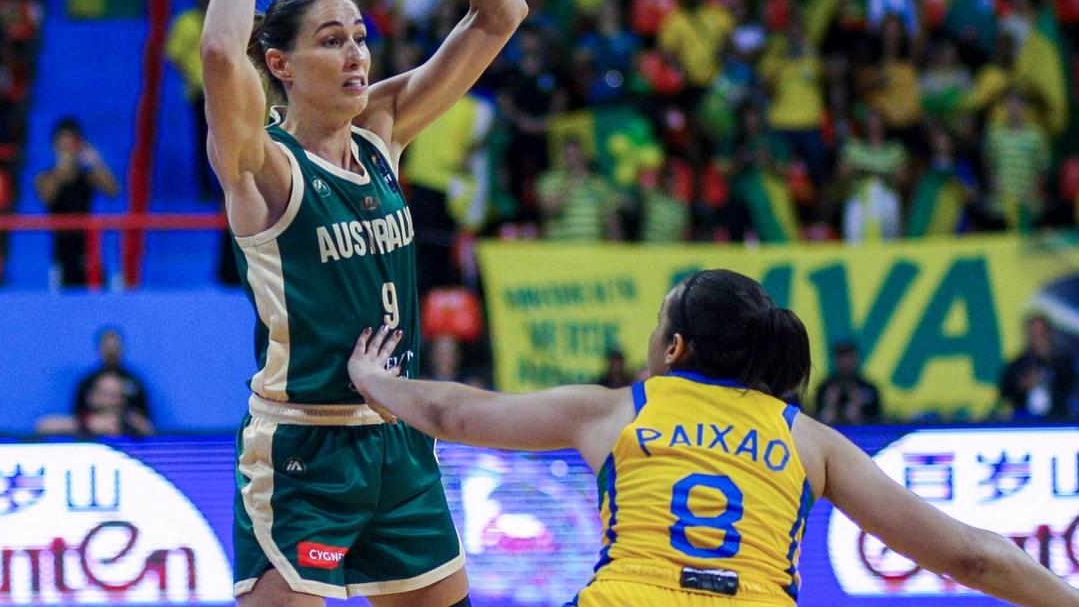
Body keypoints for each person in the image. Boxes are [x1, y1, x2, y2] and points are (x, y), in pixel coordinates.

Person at [348, 269, 1079, 607]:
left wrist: (374, 379)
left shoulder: (615, 411)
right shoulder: (809, 442)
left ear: (673, 350)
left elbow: (454, 416)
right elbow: (971, 557)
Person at [200, 0, 525, 602]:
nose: (354, 53)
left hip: (399, 440)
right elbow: (223, 53)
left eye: (358, 35)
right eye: (330, 40)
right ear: (279, 65)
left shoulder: (382, 133)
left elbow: (500, 14)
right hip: (302, 450)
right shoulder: (263, 164)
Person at [34, 118, 119, 287]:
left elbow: (113, 191)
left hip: (88, 250)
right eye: (63, 145)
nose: (67, 150)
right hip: (61, 253)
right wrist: (62, 169)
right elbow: (46, 197)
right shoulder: (44, 177)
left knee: (96, 300)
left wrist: (96, 162)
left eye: (71, 145)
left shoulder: (88, 176)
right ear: (55, 147)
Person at [166, 0, 217, 200]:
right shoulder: (184, 22)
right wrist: (190, 77)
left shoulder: (225, 18)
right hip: (199, 91)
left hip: (228, 91)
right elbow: (174, 54)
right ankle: (206, 189)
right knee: (204, 140)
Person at [1000, 314, 1076, 421]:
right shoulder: (1017, 365)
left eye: (1041, 334)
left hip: (1058, 420)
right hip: (1024, 421)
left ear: (1049, 334)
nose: (1038, 339)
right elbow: (1005, 393)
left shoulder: (1063, 363)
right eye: (1033, 335)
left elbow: (1070, 388)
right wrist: (1022, 386)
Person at [71, 326, 151, 423]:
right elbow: (77, 415)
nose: (111, 352)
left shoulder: (134, 382)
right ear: (100, 349)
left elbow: (145, 417)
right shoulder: (87, 382)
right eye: (107, 347)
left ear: (121, 349)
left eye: (115, 347)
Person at [813, 341, 883, 425]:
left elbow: (878, 421)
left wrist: (858, 412)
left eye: (849, 356)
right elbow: (816, 418)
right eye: (841, 357)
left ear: (856, 358)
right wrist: (829, 407)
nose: (845, 361)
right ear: (835, 359)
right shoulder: (825, 388)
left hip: (862, 435)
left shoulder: (869, 389)